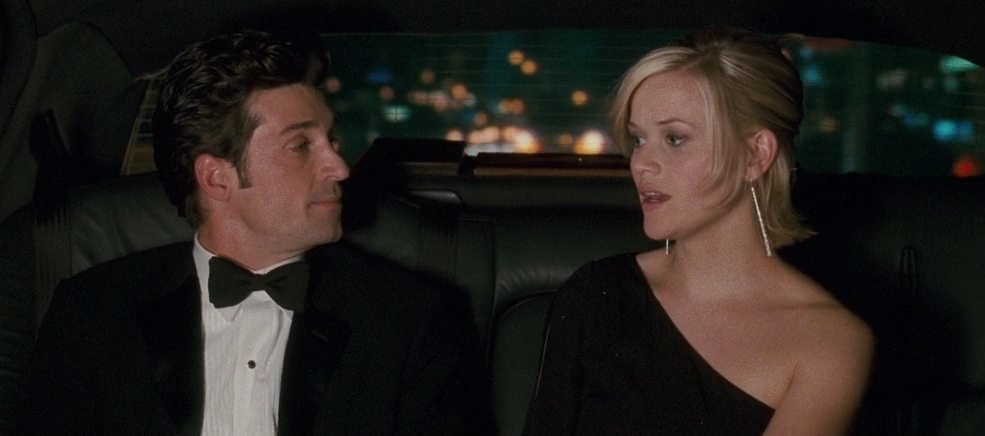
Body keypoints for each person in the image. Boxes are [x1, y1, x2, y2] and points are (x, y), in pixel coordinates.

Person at [24, 29, 493, 435]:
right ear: (217, 178)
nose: (340, 167)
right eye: (301, 145)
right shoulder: (91, 314)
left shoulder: (407, 320)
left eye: (331, 140)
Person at [523, 27, 874, 435]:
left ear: (755, 154)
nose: (641, 164)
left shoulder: (830, 342)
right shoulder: (596, 293)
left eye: (675, 139)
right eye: (638, 139)